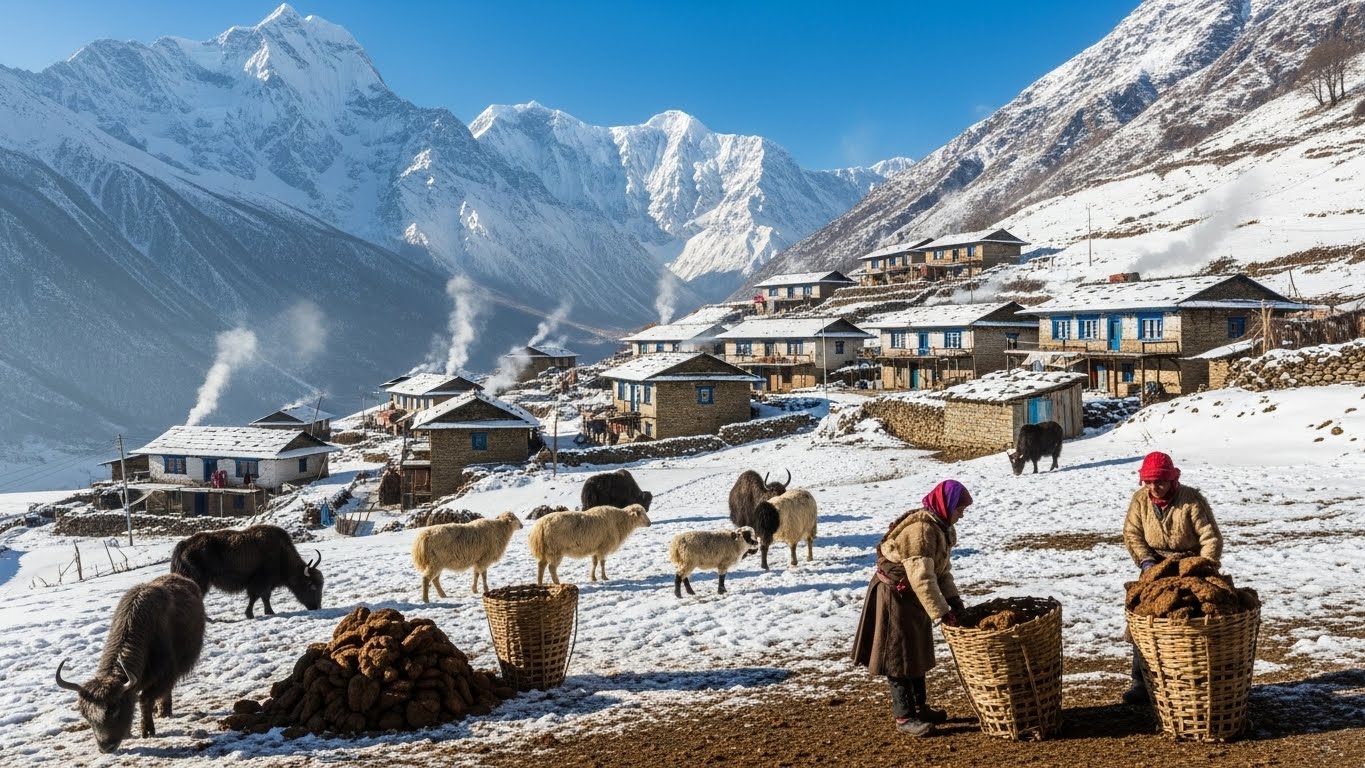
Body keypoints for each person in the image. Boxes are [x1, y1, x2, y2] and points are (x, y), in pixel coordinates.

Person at [852, 479, 971, 737]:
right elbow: (922, 578)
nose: (961, 515)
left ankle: (919, 707)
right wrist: (942, 613)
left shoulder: (940, 528)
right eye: (959, 509)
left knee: (915, 651)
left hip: (912, 596)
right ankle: (905, 716)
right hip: (894, 596)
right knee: (898, 656)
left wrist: (954, 602)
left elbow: (940, 572)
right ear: (946, 505)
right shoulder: (921, 532)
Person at [1120, 451, 1224, 704]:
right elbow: (1132, 533)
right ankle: (1141, 681)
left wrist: (1203, 567)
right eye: (1149, 482)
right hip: (1154, 565)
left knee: (1198, 618)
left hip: (1191, 563)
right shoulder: (1140, 500)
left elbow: (1210, 538)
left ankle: (1196, 681)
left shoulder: (1191, 499)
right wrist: (1147, 563)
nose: (1155, 487)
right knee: (1143, 620)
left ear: (1172, 480)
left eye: (1161, 482)